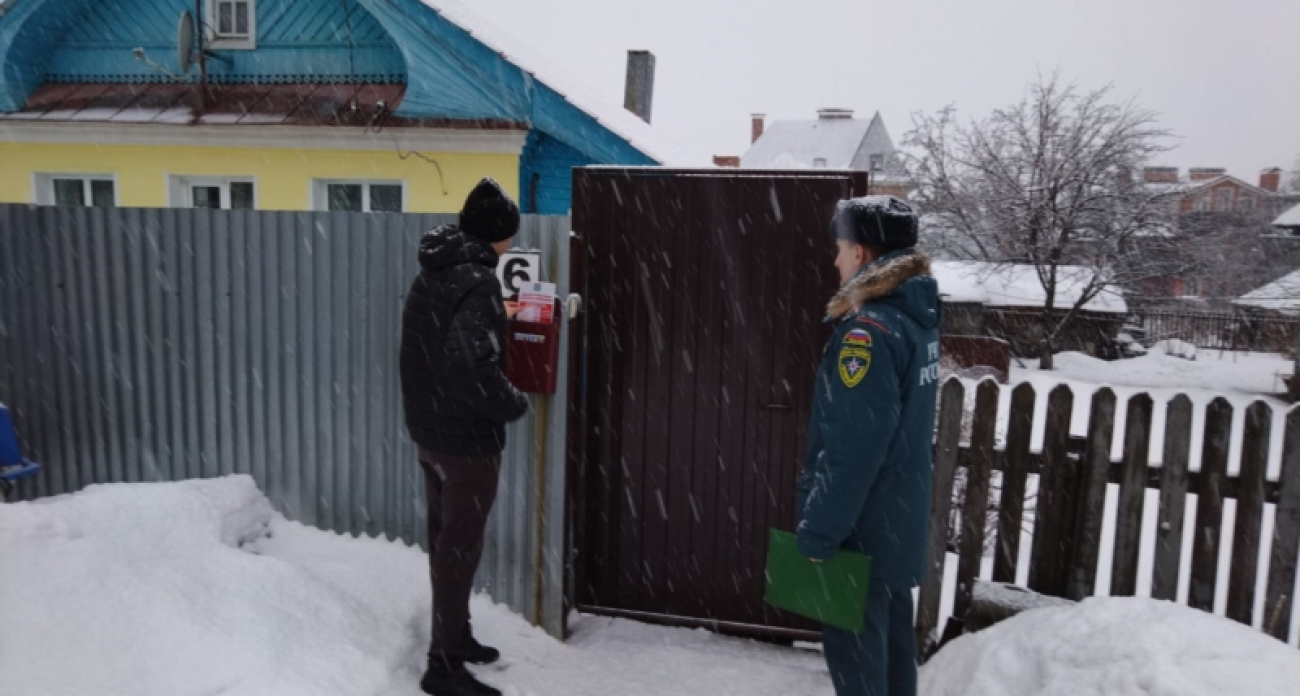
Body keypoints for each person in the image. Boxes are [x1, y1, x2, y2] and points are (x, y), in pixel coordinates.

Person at [796, 195, 941, 696]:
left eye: (840, 247)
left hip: (860, 536)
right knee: (894, 661)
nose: (835, 259)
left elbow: (855, 448)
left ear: (860, 253)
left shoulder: (869, 333)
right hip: (894, 524)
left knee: (859, 669)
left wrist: (819, 532)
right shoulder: (914, 322)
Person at [400, 178, 529, 696]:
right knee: (459, 550)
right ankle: (444, 667)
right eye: (509, 238)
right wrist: (511, 402)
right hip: (466, 442)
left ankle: (456, 636)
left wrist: (499, 313)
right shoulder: (478, 281)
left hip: (431, 435)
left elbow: (432, 348)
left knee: (445, 545)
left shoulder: (435, 273)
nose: (511, 247)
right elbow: (468, 364)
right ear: (497, 236)